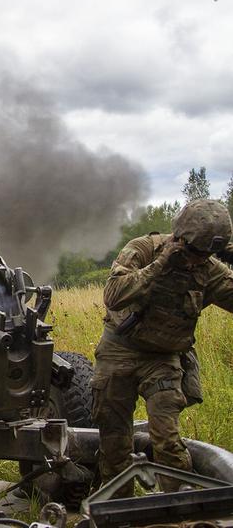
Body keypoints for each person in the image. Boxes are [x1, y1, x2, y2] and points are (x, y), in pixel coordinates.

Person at [92, 198, 233, 496]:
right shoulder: (142, 250)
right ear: (180, 238)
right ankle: (117, 507)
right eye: (195, 252)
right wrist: (160, 265)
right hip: (119, 351)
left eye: (207, 253)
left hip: (164, 358)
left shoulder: (209, 269)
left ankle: (178, 506)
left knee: (167, 439)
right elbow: (114, 295)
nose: (199, 260)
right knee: (114, 438)